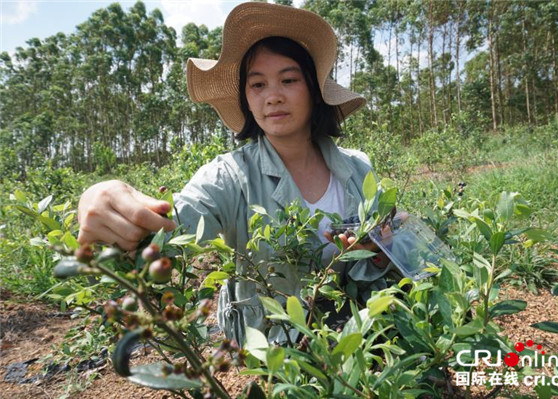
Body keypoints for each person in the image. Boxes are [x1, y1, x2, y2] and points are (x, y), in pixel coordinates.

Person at [77, 2, 394, 345]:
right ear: (245, 98)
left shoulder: (357, 168)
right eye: (257, 85)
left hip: (359, 335)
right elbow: (171, 230)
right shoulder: (229, 176)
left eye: (288, 80)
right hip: (276, 349)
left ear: (315, 92)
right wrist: (101, 198)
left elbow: (379, 260)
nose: (272, 96)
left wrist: (379, 252)